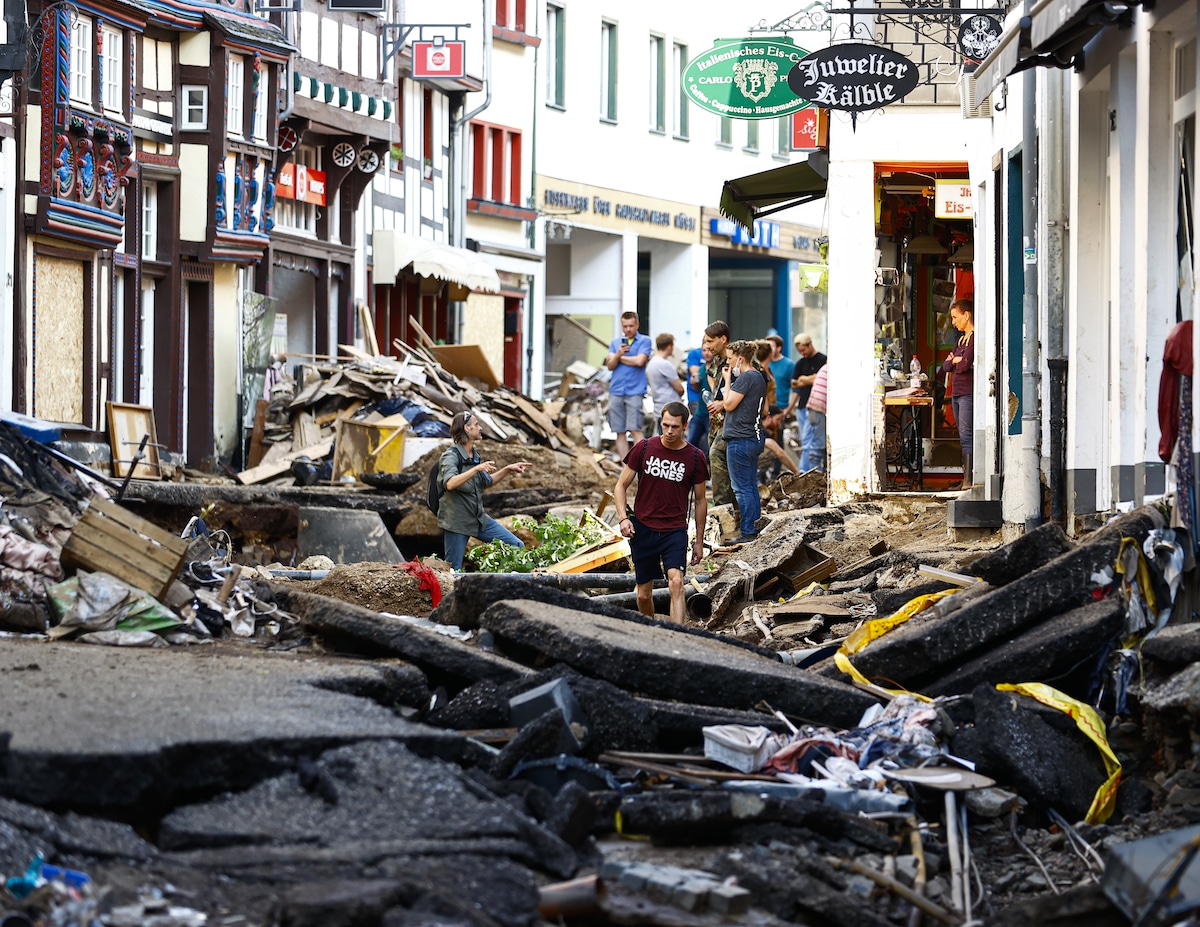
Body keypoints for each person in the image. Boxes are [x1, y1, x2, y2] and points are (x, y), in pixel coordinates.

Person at [614, 401, 710, 624]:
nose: (669, 431)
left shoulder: (695, 458)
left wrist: (699, 541)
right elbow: (620, 486)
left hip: (674, 530)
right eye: (665, 425)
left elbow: (701, 500)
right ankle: (650, 633)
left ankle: (677, 637)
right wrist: (623, 519)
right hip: (643, 528)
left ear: (685, 425)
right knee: (643, 594)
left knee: (676, 582)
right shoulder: (644, 448)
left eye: (675, 427)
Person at [437, 411, 531, 570]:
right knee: (453, 570)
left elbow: (487, 481)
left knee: (516, 545)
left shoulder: (474, 456)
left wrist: (508, 469)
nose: (480, 428)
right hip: (457, 522)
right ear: (467, 428)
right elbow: (450, 483)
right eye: (476, 425)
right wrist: (476, 469)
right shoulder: (451, 456)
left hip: (479, 519)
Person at [708, 340, 766, 545]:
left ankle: (748, 531)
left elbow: (729, 405)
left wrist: (727, 381)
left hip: (740, 440)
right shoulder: (758, 377)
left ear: (740, 358)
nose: (729, 362)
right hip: (753, 437)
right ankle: (754, 527)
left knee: (741, 488)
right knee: (749, 485)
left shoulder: (746, 377)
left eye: (731, 358)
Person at [605, 311, 653, 460]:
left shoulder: (645, 341)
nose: (628, 329)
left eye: (631, 326)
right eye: (625, 326)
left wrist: (619, 357)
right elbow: (610, 365)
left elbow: (640, 361)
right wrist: (618, 355)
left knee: (635, 429)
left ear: (637, 324)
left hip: (634, 391)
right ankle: (625, 468)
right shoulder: (615, 343)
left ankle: (639, 466)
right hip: (616, 390)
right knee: (619, 431)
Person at [941, 299, 975, 489]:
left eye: (955, 317)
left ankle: (968, 481)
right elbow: (947, 366)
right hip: (957, 393)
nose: (953, 322)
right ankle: (966, 478)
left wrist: (957, 361)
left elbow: (963, 365)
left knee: (966, 434)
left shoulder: (973, 339)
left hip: (967, 393)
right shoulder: (960, 341)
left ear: (966, 315)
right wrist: (956, 361)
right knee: (962, 435)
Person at [784, 334, 827, 472]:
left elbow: (817, 378)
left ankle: (805, 470)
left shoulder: (822, 360)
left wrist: (804, 379)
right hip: (803, 406)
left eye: (803, 350)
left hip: (816, 407)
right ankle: (809, 469)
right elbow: (794, 383)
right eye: (800, 352)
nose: (802, 353)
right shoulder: (800, 363)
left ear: (810, 344)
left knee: (811, 440)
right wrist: (808, 379)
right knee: (806, 440)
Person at [701, 321, 733, 508]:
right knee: (718, 463)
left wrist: (723, 403)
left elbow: (755, 386)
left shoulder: (739, 358)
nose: (707, 346)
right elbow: (714, 382)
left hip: (733, 421)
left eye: (710, 341)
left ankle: (723, 507)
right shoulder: (717, 361)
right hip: (717, 422)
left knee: (716, 455)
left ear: (723, 339)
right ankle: (728, 508)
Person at [646, 333, 685, 427]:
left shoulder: (651, 363)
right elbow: (680, 389)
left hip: (658, 407)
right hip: (671, 409)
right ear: (669, 346)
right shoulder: (665, 364)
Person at [685, 341, 710, 457]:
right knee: (691, 441)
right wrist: (694, 383)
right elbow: (697, 390)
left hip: (711, 412)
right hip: (701, 410)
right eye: (704, 350)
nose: (706, 353)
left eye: (709, 350)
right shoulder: (701, 369)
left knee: (709, 443)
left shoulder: (717, 369)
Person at [805, 363, 828, 473]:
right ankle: (814, 474)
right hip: (819, 408)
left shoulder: (825, 368)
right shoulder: (834, 370)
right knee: (819, 445)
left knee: (820, 443)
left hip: (814, 407)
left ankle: (820, 472)